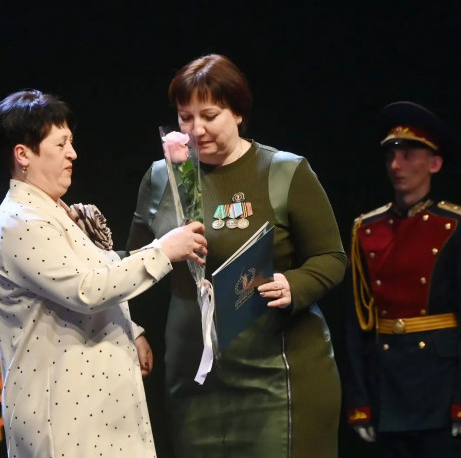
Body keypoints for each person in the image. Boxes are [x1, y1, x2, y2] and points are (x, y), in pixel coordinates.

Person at [126, 54, 347, 458]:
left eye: (210, 116)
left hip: (275, 377)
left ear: (239, 112)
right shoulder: (161, 177)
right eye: (185, 118)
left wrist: (294, 284)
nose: (196, 129)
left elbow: (331, 257)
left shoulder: (284, 171)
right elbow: (133, 262)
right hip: (194, 381)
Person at [0, 89, 207, 457]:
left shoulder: (53, 210)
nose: (73, 153)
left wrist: (130, 329)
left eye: (71, 142)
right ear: (23, 155)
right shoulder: (20, 222)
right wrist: (163, 250)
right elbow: (87, 289)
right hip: (63, 416)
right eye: (61, 144)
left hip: (99, 409)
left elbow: (97, 271)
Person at [343, 101, 461, 457]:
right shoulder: (366, 228)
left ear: (434, 164)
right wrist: (360, 400)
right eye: (391, 156)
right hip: (388, 386)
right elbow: (357, 324)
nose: (396, 165)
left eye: (408, 155)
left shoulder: (460, 226)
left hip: (441, 387)